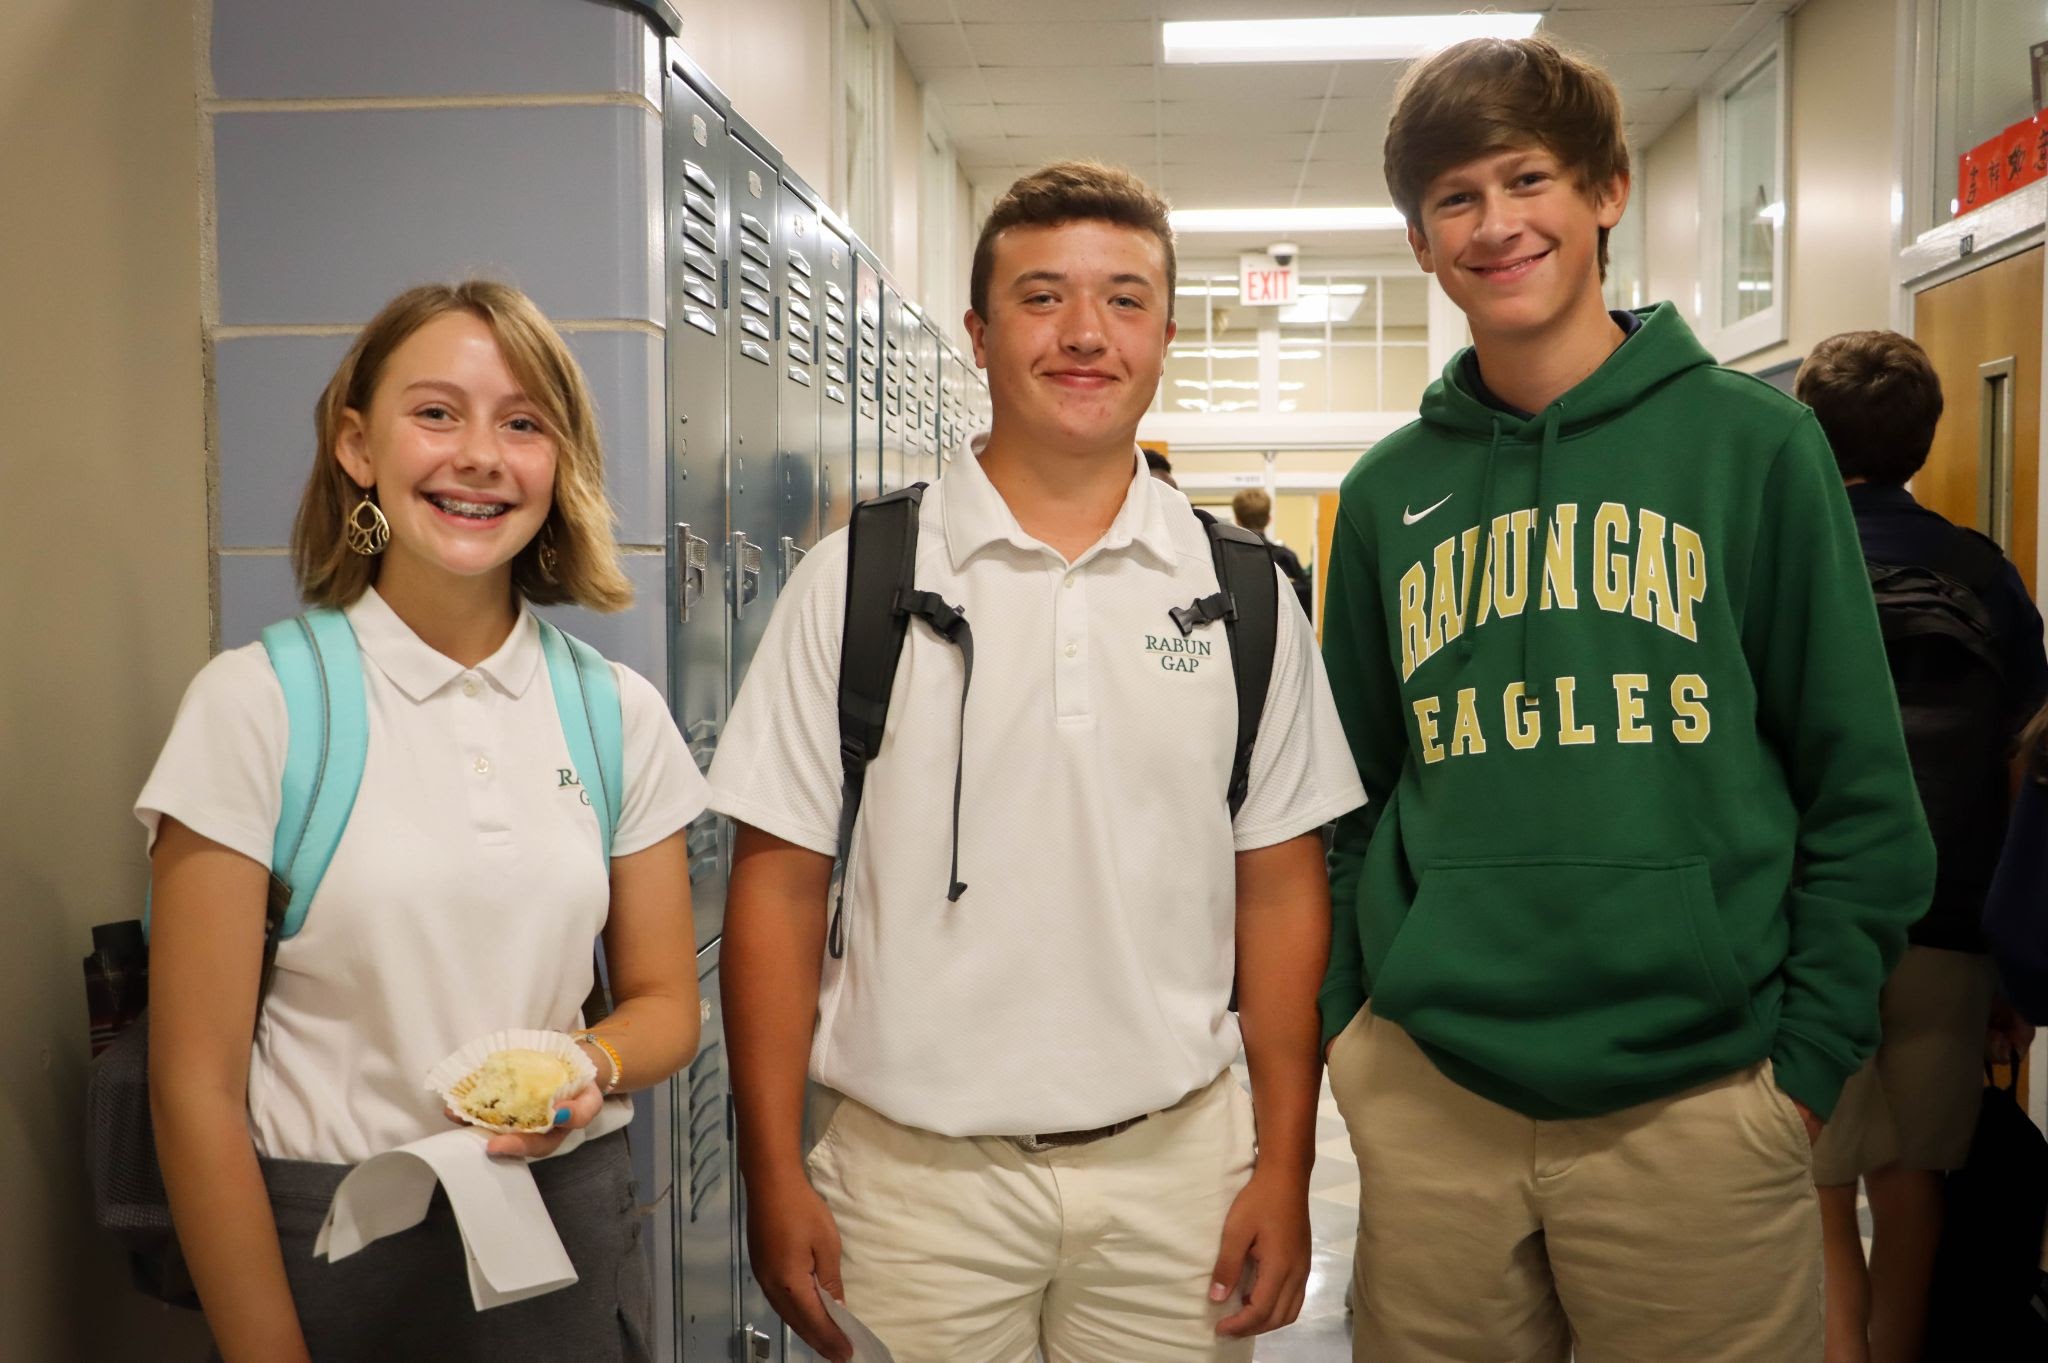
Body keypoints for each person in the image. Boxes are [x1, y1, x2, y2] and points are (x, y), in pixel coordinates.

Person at [1317, 37, 1934, 1362]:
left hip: (1702, 1098)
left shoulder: (1755, 446)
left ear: (1605, 191)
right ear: (1419, 241)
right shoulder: (1382, 497)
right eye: (1455, 197)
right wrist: (1351, 1037)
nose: (1496, 223)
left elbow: (1860, 791)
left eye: (1526, 178)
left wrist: (1804, 1066)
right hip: (1434, 1097)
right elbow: (1347, 798)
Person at [708, 161, 1364, 1363]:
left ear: (1164, 336)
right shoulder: (856, 581)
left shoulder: (1245, 598)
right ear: (977, 333)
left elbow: (1279, 889)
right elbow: (777, 885)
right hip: (909, 1191)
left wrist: (1284, 1160)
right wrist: (770, 1169)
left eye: (1123, 299)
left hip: (1176, 1180)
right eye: (1041, 296)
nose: (1083, 333)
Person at [141, 281, 707, 1362]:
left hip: (560, 1241)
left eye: (523, 423)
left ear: (560, 462)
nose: (481, 455)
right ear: (358, 446)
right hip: (328, 1255)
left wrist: (587, 1065)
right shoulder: (257, 705)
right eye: (437, 413)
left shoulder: (614, 713)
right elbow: (192, 1091)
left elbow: (667, 1005)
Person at [1794, 329, 2046, 1363]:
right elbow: (2025, 759)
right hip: (1949, 918)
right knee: (1913, 1175)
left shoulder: (1780, 557)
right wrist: (2012, 953)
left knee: (1813, 1179)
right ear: (1924, 438)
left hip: (1805, 918)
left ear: (1807, 428)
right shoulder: (1982, 573)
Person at [1231, 487, 1314, 620]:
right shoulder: (1285, 558)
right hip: (1279, 629)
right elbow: (1304, 606)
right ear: (1269, 519)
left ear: (1237, 519)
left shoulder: (1226, 557)